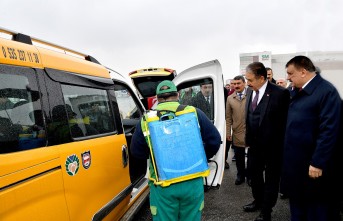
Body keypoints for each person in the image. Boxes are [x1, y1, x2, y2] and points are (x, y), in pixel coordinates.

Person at [130, 80, 221, 220]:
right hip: (192, 181)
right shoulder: (194, 113)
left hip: (163, 185)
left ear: (157, 98)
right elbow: (215, 140)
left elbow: (137, 152)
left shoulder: (146, 120)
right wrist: (201, 157)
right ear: (178, 95)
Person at [280, 55, 342, 221]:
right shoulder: (295, 93)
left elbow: (329, 130)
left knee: (317, 211)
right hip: (297, 167)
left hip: (314, 169)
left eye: (290, 73)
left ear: (303, 72)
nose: (287, 77)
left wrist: (318, 162)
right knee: (298, 209)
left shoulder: (326, 92)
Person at [243, 62, 290, 221]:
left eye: (250, 80)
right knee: (254, 176)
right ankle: (258, 201)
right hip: (255, 146)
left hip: (273, 148)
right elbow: (250, 117)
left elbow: (285, 123)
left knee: (271, 180)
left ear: (262, 78)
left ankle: (266, 211)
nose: (247, 83)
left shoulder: (280, 93)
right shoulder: (250, 92)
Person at [226, 75, 248, 185]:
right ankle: (240, 175)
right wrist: (227, 132)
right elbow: (228, 117)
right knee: (239, 157)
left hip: (251, 131)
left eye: (238, 83)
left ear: (244, 83)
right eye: (234, 84)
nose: (236, 86)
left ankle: (250, 175)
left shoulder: (252, 95)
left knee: (253, 157)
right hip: (237, 132)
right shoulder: (230, 98)